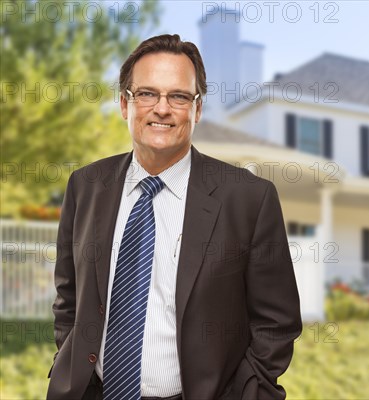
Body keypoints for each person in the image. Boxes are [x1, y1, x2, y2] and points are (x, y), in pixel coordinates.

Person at [47, 34, 302, 400]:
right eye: (147, 94)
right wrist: (66, 365)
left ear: (197, 110)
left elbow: (277, 323)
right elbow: (68, 297)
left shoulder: (249, 198)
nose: (161, 109)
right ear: (125, 103)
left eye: (179, 96)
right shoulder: (86, 185)